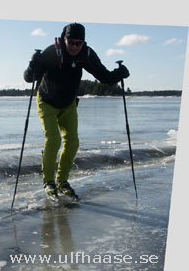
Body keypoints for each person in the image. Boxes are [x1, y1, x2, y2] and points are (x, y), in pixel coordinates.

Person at [23, 22, 129, 199]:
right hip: (47, 101)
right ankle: (48, 182)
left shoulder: (86, 54)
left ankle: (62, 182)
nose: (74, 46)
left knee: (72, 142)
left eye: (78, 43)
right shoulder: (53, 52)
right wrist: (32, 65)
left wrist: (120, 73)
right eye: (71, 42)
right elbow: (29, 78)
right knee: (53, 139)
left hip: (68, 103)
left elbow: (104, 76)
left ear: (83, 43)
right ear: (64, 39)